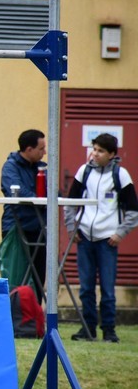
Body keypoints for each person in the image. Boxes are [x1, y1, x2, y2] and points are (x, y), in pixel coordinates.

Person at [63, 133, 138, 343]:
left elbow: (133, 211)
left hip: (108, 239)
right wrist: (72, 228)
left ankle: (109, 330)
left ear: (112, 154)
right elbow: (69, 203)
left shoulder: (120, 175)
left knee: (107, 288)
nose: (95, 154)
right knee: (86, 288)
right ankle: (87, 329)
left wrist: (119, 233)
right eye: (93, 149)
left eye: (100, 151)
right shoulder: (83, 171)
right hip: (85, 236)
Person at [0, 129, 48, 291]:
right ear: (29, 149)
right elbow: (19, 192)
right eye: (41, 149)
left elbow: (55, 193)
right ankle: (16, 315)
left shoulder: (41, 169)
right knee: (17, 277)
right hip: (17, 228)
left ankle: (35, 315)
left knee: (39, 277)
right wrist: (41, 200)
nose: (45, 152)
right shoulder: (10, 167)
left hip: (39, 228)